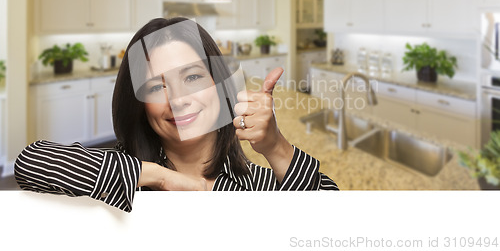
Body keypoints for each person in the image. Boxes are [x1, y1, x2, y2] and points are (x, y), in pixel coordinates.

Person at [15, 17, 338, 212]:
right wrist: (166, 178)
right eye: (157, 86)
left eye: (193, 77)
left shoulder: (260, 185)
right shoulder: (122, 180)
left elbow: (334, 219)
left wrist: (275, 146)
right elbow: (32, 163)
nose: (179, 99)